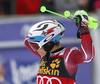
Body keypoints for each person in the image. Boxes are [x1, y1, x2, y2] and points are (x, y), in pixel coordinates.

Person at [24, 11, 95, 84]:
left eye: (35, 46)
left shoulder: (67, 56)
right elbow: (27, 41)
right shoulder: (44, 55)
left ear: (48, 44)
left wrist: (83, 26)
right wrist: (51, 26)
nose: (35, 49)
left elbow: (88, 56)